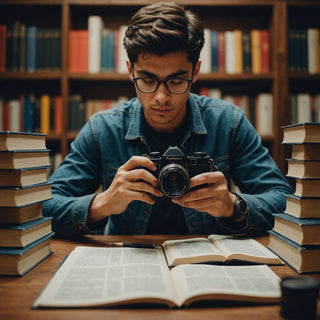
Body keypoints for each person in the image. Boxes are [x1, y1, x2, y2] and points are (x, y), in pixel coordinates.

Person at [43, 2, 292, 237]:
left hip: (209, 265)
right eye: (148, 80)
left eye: (176, 80)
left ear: (195, 72)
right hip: (128, 263)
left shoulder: (228, 122)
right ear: (130, 71)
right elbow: (45, 207)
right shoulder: (103, 129)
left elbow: (284, 202)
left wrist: (233, 205)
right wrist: (103, 203)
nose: (162, 97)